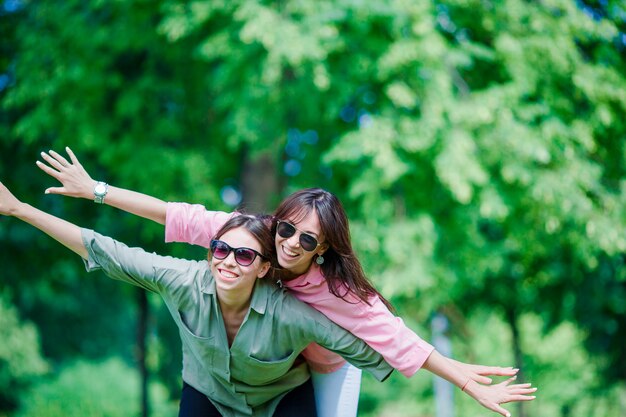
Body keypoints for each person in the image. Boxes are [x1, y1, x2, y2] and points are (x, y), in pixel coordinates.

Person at [35, 148, 537, 417]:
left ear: (324, 250)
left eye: (308, 240)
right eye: (288, 228)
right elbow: (176, 216)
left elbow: (399, 339)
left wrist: (462, 379)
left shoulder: (336, 291)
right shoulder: (249, 240)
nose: (292, 243)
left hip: (324, 365)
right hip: (263, 354)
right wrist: (97, 190)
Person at [0, 181, 397, 416]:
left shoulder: (292, 311)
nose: (228, 262)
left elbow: (384, 348)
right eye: (221, 251)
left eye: (244, 255)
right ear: (210, 252)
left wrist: (444, 366)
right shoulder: (183, 279)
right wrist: (20, 209)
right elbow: (104, 249)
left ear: (263, 267)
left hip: (281, 395)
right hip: (207, 391)